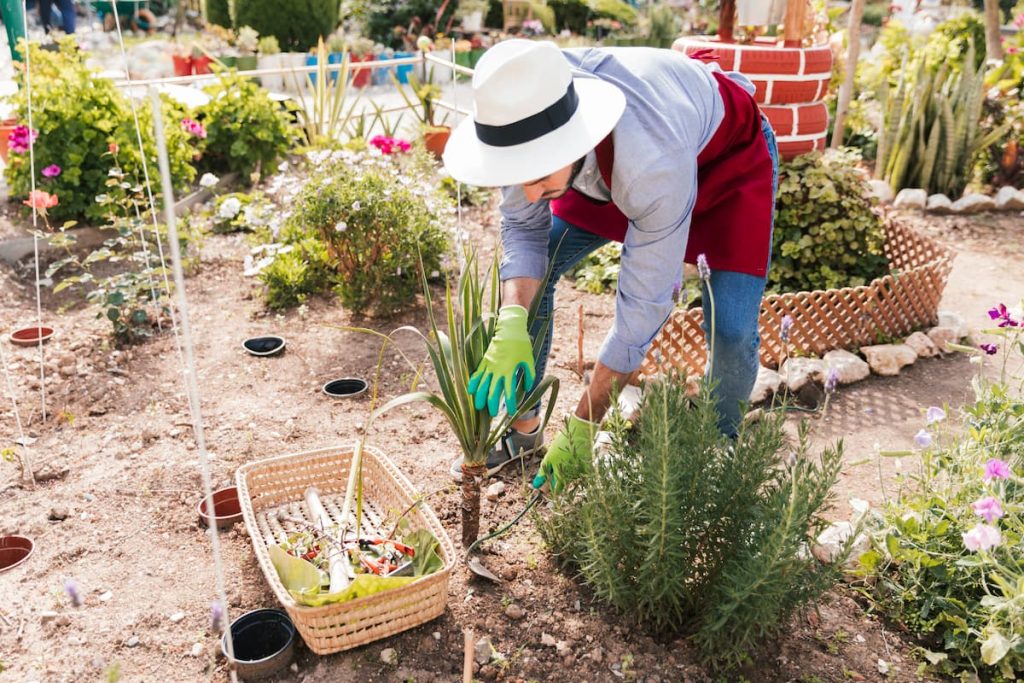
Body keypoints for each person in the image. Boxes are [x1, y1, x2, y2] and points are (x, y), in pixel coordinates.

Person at [442, 40, 779, 492]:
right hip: (610, 162)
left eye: (537, 177)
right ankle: (523, 429)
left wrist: (585, 425)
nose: (529, 193)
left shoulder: (650, 162)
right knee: (537, 271)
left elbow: (642, 309)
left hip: (726, 162)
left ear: (571, 139)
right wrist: (512, 320)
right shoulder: (523, 110)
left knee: (732, 327)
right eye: (519, 176)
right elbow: (524, 231)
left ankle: (718, 442)